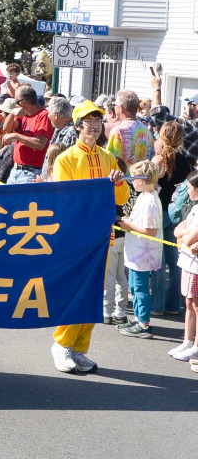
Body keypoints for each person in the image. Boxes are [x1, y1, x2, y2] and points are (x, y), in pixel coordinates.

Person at [50, 100, 129, 374]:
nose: (94, 127)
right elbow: (65, 200)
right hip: (77, 237)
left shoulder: (108, 158)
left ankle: (79, 348)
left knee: (94, 293)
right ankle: (62, 344)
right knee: (76, 290)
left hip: (102, 236)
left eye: (98, 121)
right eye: (89, 122)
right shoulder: (66, 159)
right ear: (77, 126)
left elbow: (122, 198)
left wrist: (118, 182)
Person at [116, 160, 163, 339]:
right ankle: (137, 319)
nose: (132, 181)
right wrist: (128, 221)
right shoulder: (144, 196)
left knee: (140, 288)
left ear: (141, 180)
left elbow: (150, 230)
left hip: (143, 254)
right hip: (136, 251)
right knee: (134, 287)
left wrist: (128, 225)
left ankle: (144, 324)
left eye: (133, 178)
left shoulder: (150, 201)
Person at [151, 121, 190, 316]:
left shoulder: (158, 160)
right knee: (174, 260)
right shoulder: (184, 161)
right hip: (175, 214)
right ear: (180, 139)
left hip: (158, 211)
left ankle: (157, 305)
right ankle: (174, 304)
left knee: (158, 260)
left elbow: (149, 185)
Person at [171, 171, 198, 364]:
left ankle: (196, 347)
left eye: (189, 188)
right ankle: (187, 341)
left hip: (195, 265)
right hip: (188, 261)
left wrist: (184, 232)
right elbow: (177, 230)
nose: (187, 192)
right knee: (189, 303)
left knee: (196, 305)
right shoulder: (194, 208)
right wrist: (184, 231)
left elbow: (187, 239)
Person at [3, 85, 54, 184]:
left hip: (30, 172)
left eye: (16, 102)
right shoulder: (23, 115)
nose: (16, 106)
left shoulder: (43, 116)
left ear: (24, 103)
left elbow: (40, 144)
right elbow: (6, 129)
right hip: (15, 170)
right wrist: (12, 114)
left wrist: (16, 135)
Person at [107, 89, 154, 167]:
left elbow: (109, 160)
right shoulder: (147, 131)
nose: (114, 107)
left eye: (115, 105)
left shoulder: (118, 131)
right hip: (141, 174)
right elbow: (151, 159)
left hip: (123, 175)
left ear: (120, 108)